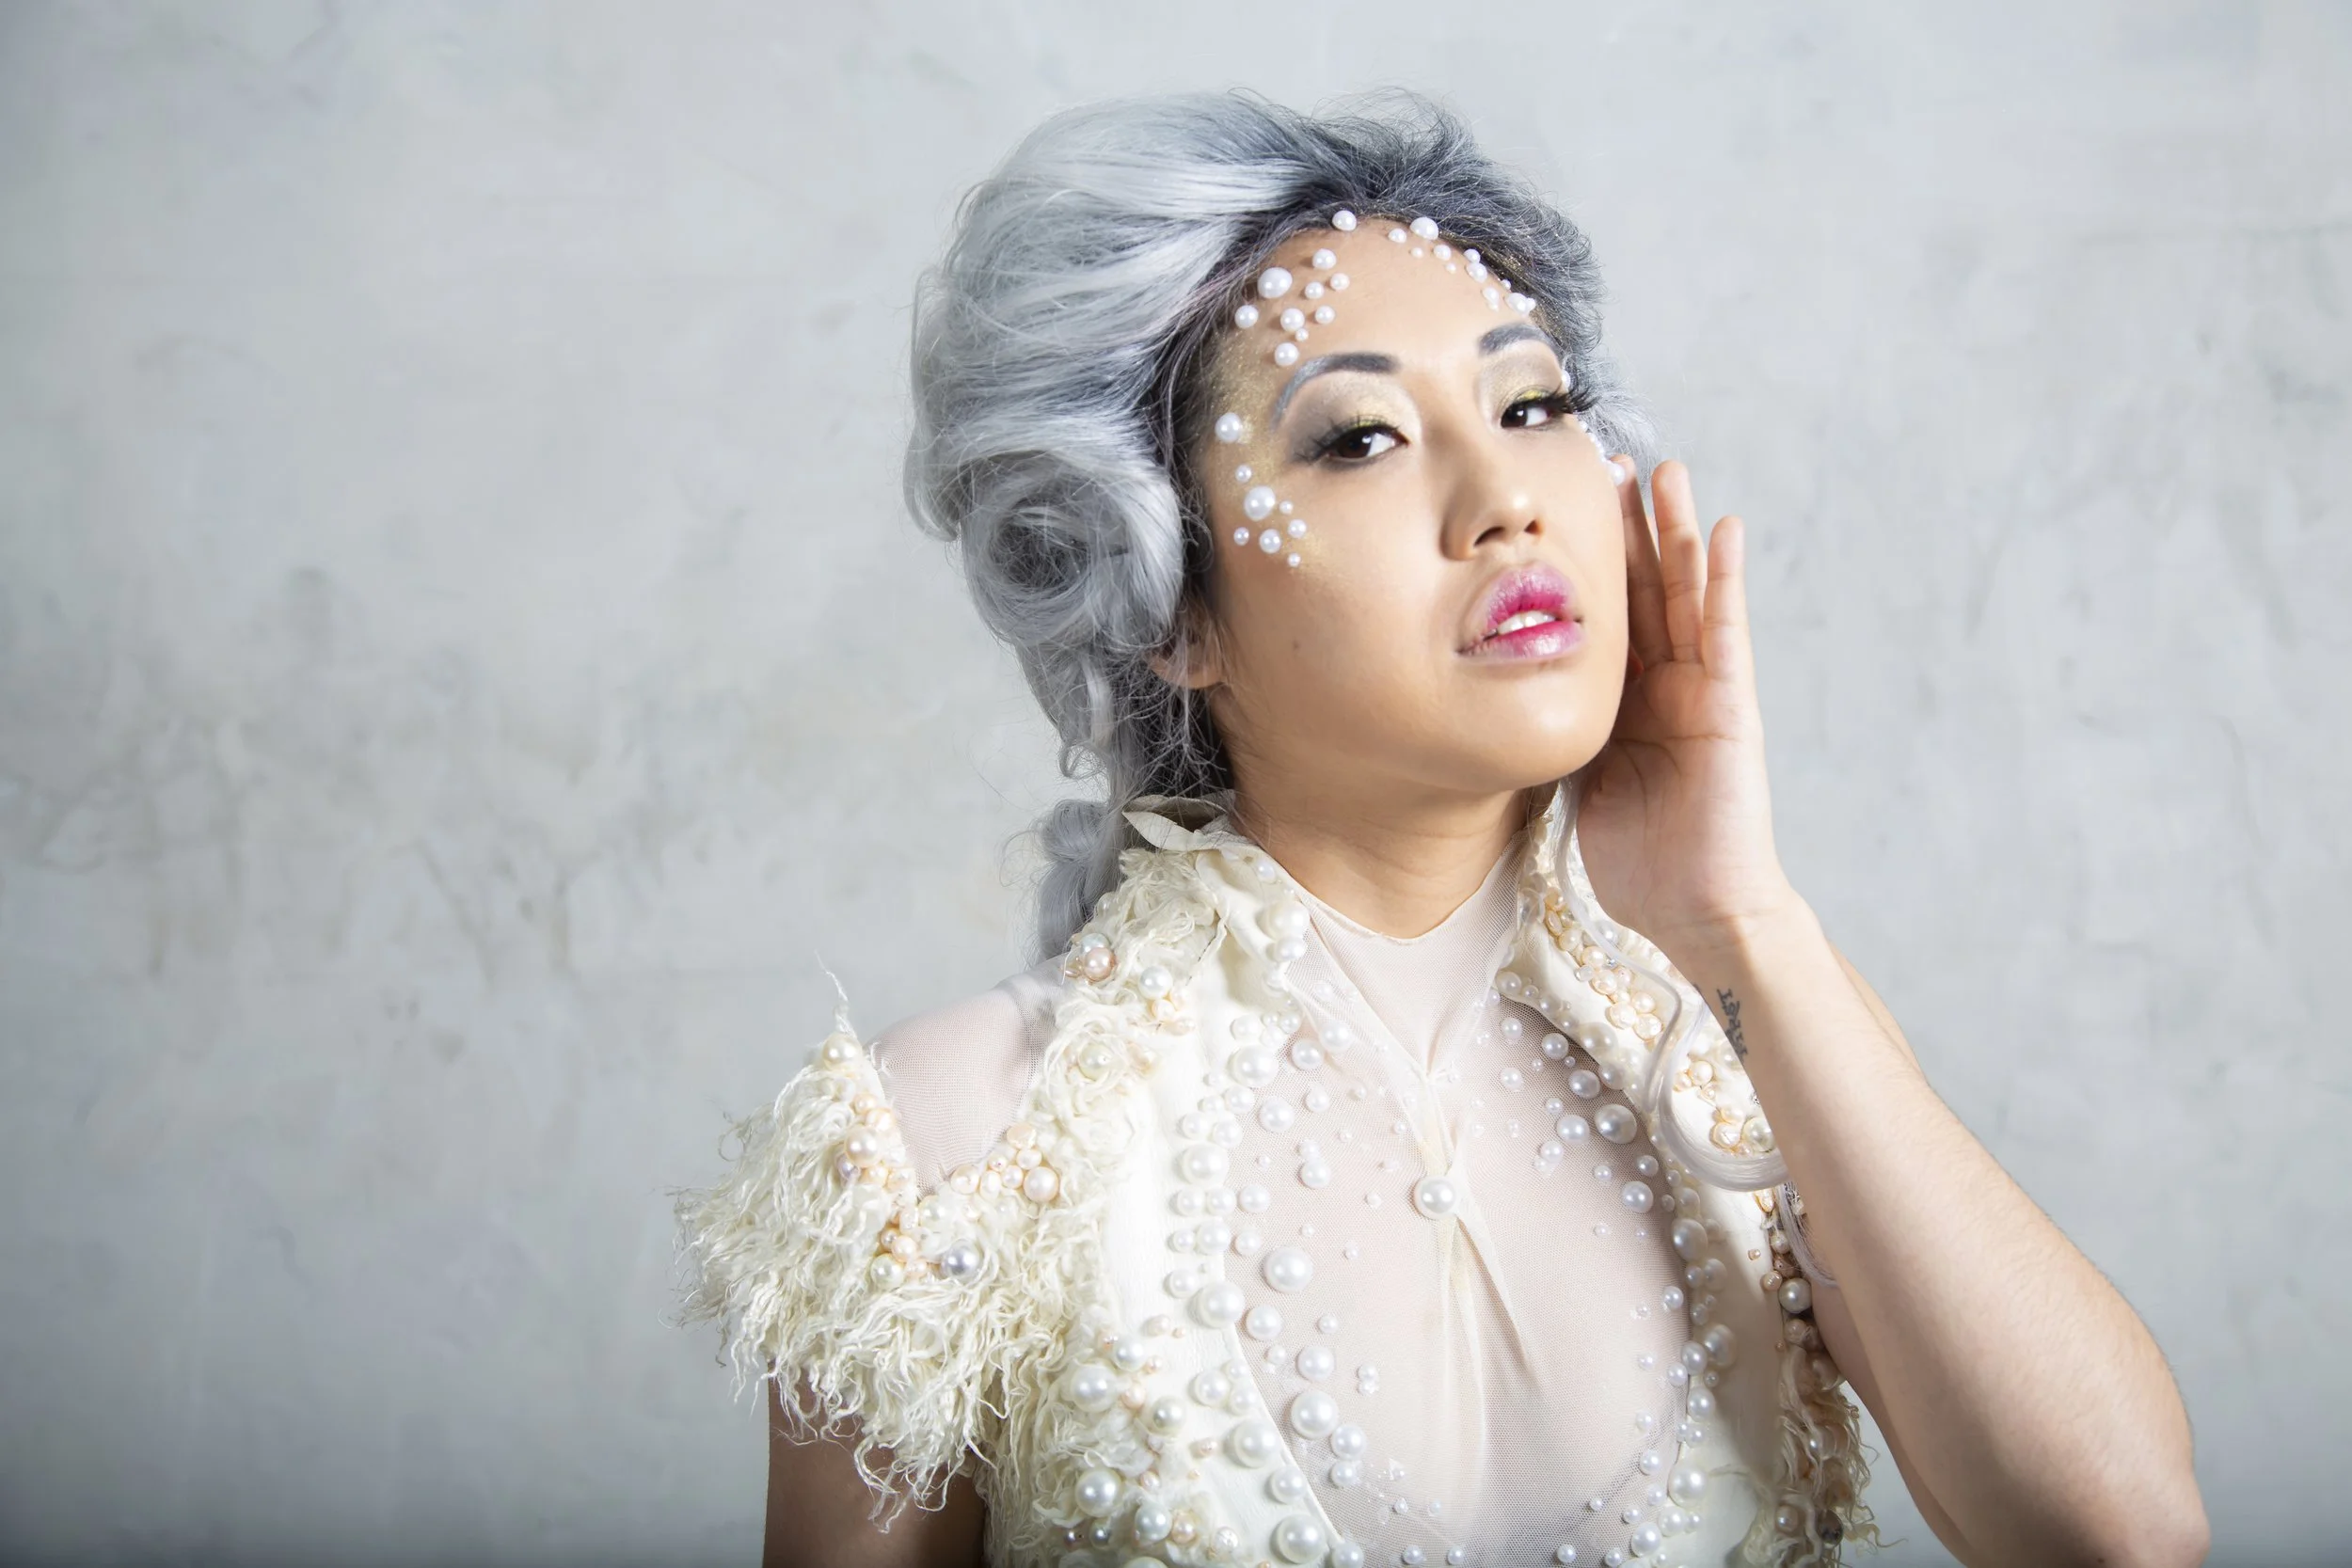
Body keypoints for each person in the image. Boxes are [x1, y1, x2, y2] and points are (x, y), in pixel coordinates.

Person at [675, 89, 2208, 1568]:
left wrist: (1737, 913)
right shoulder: (949, 1139)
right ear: (1164, 601)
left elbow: (2121, 1534)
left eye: (1533, 404)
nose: (1507, 501)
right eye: (1356, 439)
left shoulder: (1748, 1044)